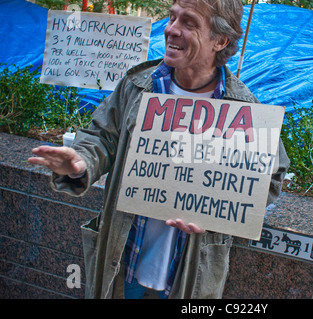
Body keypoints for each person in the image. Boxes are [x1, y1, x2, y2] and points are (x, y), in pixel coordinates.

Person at [28, 0, 289, 299]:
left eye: (189, 22)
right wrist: (82, 160)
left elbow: (269, 178)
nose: (171, 30)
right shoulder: (137, 85)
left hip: (189, 274)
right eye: (172, 17)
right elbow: (102, 136)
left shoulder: (244, 109)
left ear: (220, 40)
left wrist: (215, 213)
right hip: (124, 258)